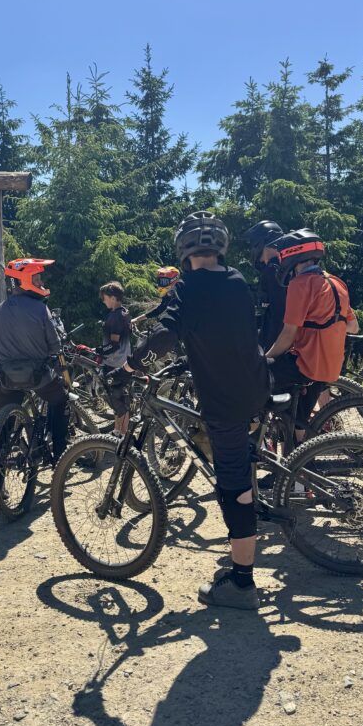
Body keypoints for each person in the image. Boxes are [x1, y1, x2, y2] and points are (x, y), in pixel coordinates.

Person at [125, 211, 270, 611]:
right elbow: (227, 331)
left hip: (225, 398)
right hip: (256, 385)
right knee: (241, 466)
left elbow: (166, 334)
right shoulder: (236, 279)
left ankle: (242, 583)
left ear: (184, 251)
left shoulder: (187, 287)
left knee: (233, 487)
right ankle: (246, 536)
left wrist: (132, 364)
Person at [265, 229, 359, 428]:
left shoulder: (300, 284)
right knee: (299, 420)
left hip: (305, 364)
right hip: (330, 366)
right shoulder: (337, 283)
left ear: (291, 256)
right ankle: (299, 444)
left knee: (254, 381)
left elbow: (288, 335)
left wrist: (264, 359)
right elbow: (353, 327)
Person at [0, 258, 69, 463]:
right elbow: (55, 346)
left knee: (5, 421)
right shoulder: (40, 308)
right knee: (60, 400)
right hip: (39, 377)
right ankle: (60, 458)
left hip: (8, 378)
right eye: (36, 278)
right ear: (24, 281)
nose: (41, 282)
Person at [244, 220, 287, 351]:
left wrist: (268, 351)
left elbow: (278, 314)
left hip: (275, 349)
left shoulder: (272, 270)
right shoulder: (284, 267)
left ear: (260, 243)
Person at [99, 281, 132, 436]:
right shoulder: (125, 312)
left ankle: (122, 434)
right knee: (118, 399)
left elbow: (114, 345)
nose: (103, 301)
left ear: (112, 298)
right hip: (124, 361)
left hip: (114, 363)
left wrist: (98, 351)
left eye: (104, 297)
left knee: (118, 401)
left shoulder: (115, 316)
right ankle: (117, 431)